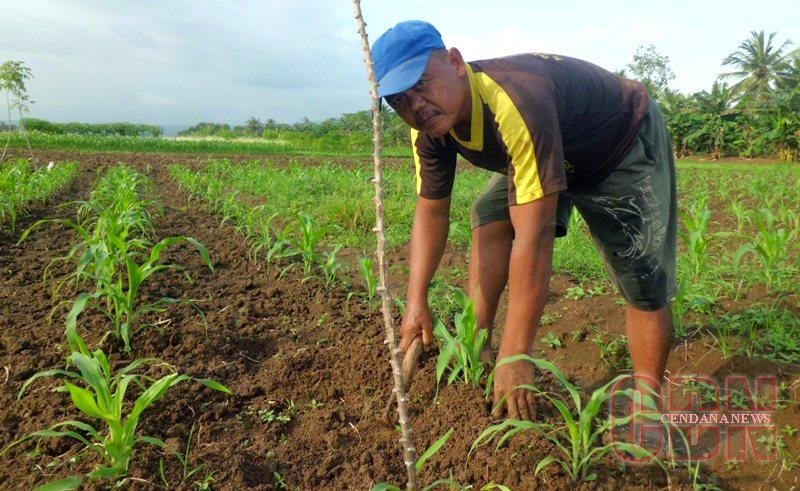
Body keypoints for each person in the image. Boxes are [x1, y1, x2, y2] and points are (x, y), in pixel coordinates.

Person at [371, 20, 677, 421]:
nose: (416, 107)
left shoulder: (513, 102)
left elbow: (534, 238)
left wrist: (517, 351)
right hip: (552, 147)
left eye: (423, 84)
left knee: (643, 277)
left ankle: (647, 407)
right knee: (490, 214)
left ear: (456, 62)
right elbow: (431, 209)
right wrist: (415, 303)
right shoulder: (427, 129)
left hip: (616, 143)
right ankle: (475, 347)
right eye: (399, 101)